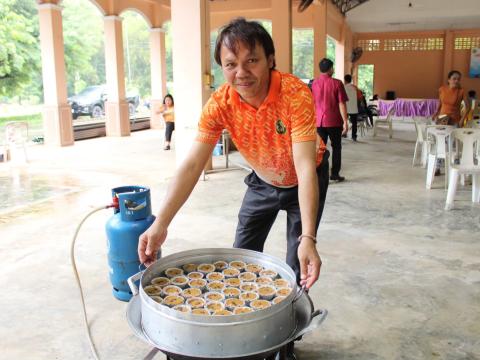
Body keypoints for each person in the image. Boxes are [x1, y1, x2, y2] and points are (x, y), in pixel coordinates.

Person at [138, 18, 329, 358]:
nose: (241, 72)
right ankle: (238, 333)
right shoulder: (221, 103)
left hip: (305, 177)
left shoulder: (295, 94)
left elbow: (303, 165)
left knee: (294, 261)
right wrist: (161, 222)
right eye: (230, 64)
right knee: (240, 254)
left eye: (251, 60)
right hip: (262, 179)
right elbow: (193, 164)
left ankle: (285, 343)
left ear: (270, 58)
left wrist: (310, 238)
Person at [312, 58, 349, 182]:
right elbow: (341, 104)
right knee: (336, 147)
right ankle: (334, 174)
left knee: (320, 149)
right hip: (334, 121)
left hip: (319, 122)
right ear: (331, 69)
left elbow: (311, 103)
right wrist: (345, 121)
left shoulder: (314, 83)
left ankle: (319, 174)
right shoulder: (337, 83)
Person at [344, 74, 360, 141]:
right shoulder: (355, 87)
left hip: (346, 108)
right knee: (354, 123)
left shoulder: (343, 87)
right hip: (354, 108)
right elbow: (359, 97)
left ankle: (344, 133)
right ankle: (354, 136)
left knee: (344, 122)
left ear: (345, 80)